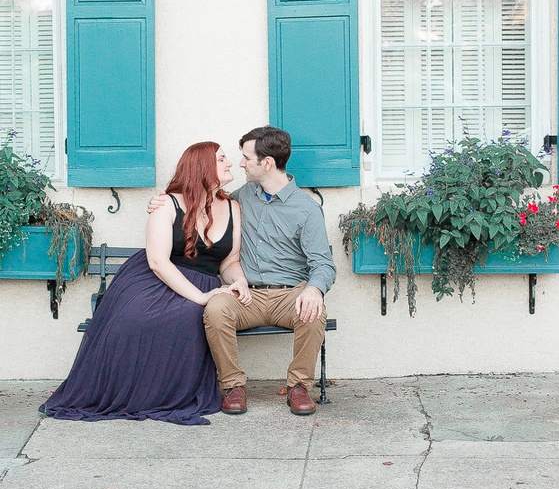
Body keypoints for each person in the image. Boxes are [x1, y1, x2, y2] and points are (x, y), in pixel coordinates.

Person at [39, 142, 250, 425]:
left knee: (191, 316)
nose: (229, 163)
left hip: (202, 282)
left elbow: (229, 261)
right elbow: (158, 263)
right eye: (221, 159)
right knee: (140, 318)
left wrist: (239, 282)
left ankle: (167, 394)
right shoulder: (167, 204)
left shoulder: (233, 207)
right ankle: (133, 394)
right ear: (201, 167)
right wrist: (200, 296)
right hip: (155, 280)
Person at [148, 126, 336, 416]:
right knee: (215, 308)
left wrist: (314, 289)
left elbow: (323, 263)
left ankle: (298, 387)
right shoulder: (240, 197)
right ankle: (233, 386)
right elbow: (200, 196)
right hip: (247, 293)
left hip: (290, 295)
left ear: (267, 163)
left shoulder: (306, 209)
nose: (240, 163)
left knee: (314, 311)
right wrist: (162, 200)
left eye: (247, 157)